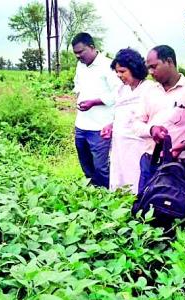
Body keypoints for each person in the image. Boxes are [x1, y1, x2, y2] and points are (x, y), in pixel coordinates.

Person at [133, 45, 185, 193]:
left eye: (154, 66)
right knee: (145, 208)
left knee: (176, 209)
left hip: (179, 163)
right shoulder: (149, 91)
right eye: (148, 68)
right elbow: (136, 125)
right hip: (150, 160)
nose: (150, 72)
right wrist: (151, 130)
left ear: (169, 61)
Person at [104, 48, 156, 194]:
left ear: (134, 68)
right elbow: (120, 114)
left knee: (137, 179)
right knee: (119, 177)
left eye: (122, 71)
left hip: (138, 145)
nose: (119, 75)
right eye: (117, 72)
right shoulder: (121, 90)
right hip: (119, 144)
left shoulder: (150, 89)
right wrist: (110, 126)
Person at [72, 32, 120, 188]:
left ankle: (107, 196)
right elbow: (77, 85)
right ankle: (93, 195)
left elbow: (118, 93)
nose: (78, 56)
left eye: (81, 52)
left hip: (100, 127)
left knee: (101, 168)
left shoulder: (109, 66)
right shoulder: (80, 66)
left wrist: (94, 102)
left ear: (92, 47)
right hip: (81, 124)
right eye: (75, 53)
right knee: (86, 164)